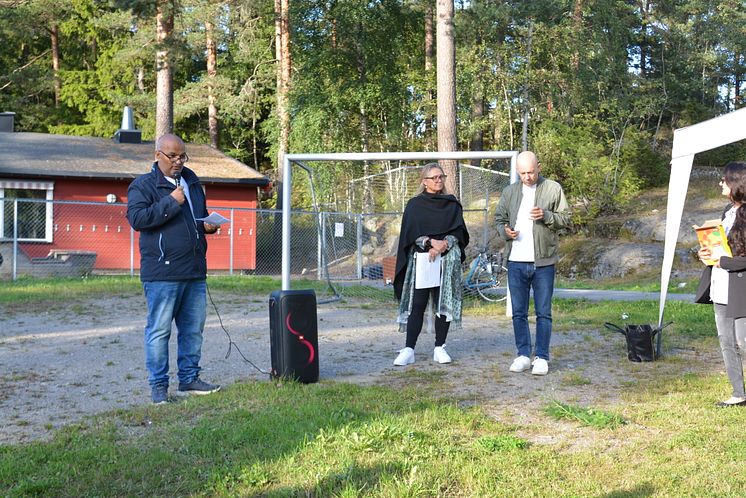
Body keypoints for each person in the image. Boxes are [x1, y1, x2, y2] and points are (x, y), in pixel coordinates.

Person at [127, 134, 221, 404]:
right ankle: (159, 387)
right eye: (173, 156)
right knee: (159, 331)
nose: (179, 161)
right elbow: (138, 219)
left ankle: (189, 380)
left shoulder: (191, 181)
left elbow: (195, 219)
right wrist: (171, 202)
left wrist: (206, 226)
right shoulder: (143, 185)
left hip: (193, 270)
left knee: (193, 330)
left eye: (183, 156)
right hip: (162, 274)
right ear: (158, 155)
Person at [495, 150, 570, 376]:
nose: (527, 176)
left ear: (539, 166)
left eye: (531, 171)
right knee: (518, 312)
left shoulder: (553, 188)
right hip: (516, 261)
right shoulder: (509, 192)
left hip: (543, 261)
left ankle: (542, 358)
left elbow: (566, 219)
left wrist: (546, 215)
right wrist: (506, 232)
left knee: (543, 312)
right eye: (523, 173)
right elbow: (499, 219)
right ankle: (523, 355)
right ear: (518, 172)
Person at [393, 163, 470, 366]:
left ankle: (439, 347)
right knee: (417, 304)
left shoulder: (452, 204)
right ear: (424, 181)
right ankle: (409, 349)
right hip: (422, 262)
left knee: (442, 305)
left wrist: (444, 243)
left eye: (441, 177)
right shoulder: (415, 205)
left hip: (446, 262)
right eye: (434, 177)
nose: (438, 181)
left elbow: (460, 232)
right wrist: (429, 242)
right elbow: (409, 235)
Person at [696, 161, 746, 407]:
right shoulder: (727, 211)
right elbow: (720, 248)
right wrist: (705, 254)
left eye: (724, 180)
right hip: (720, 285)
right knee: (726, 343)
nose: (720, 183)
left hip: (741, 287)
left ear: (736, 183)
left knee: (743, 342)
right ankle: (738, 394)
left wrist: (723, 261)